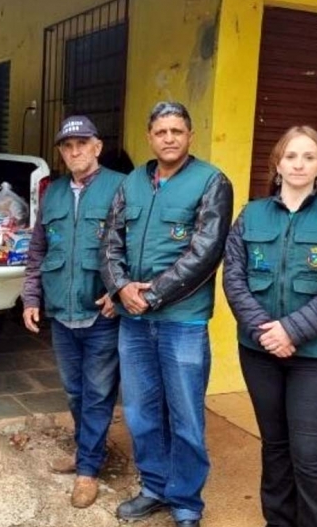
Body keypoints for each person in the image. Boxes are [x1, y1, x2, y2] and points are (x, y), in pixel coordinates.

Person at [222, 126, 317, 527]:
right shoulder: (251, 215)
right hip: (260, 353)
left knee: (309, 454)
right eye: (291, 156)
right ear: (277, 164)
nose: (298, 164)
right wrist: (266, 331)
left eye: (308, 156)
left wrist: (291, 331)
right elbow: (233, 278)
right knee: (275, 447)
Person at [100, 101, 234, 527]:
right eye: (162, 132)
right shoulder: (133, 183)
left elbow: (206, 251)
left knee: (187, 416)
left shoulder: (212, 182)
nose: (170, 138)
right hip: (134, 324)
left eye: (178, 130)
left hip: (183, 323)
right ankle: (154, 487)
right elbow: (109, 242)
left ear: (190, 135)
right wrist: (120, 287)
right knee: (140, 412)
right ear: (150, 136)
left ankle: (186, 503)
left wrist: (151, 296)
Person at [21, 115, 125, 509]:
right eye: (67, 146)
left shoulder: (121, 187)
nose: (75, 151)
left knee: (98, 393)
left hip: (100, 313)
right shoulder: (54, 193)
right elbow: (38, 250)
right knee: (75, 391)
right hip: (61, 313)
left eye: (82, 143)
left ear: (97, 146)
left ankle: (88, 471)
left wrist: (119, 292)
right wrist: (31, 299)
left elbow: (134, 247)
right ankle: (87, 453)